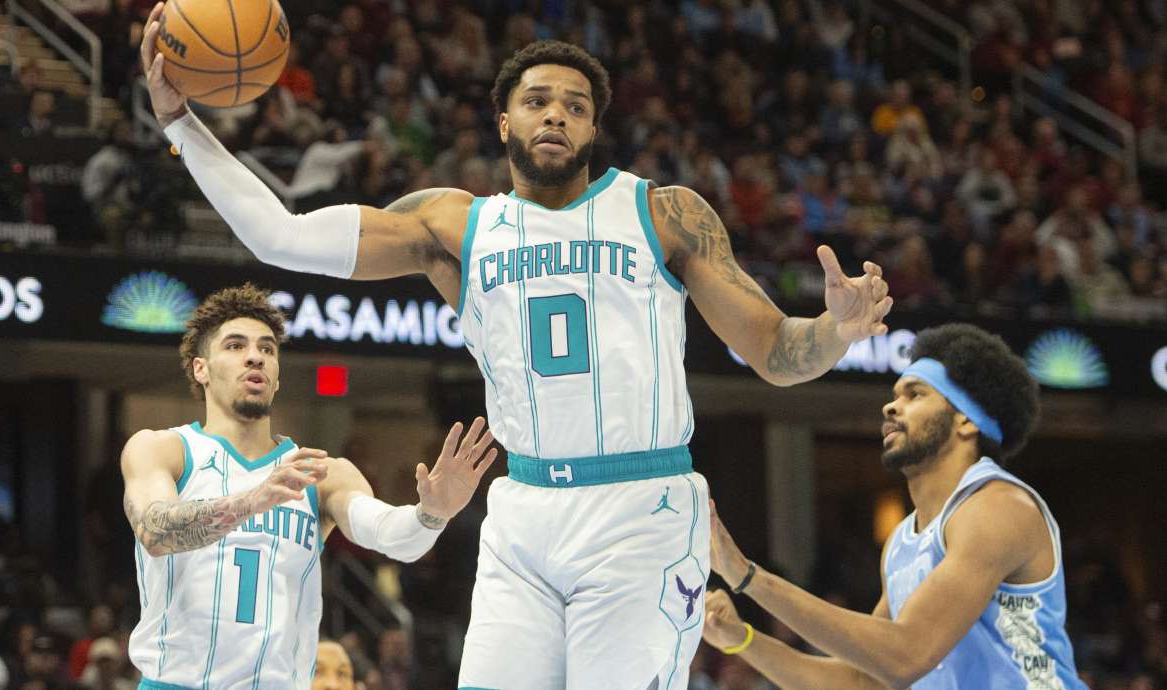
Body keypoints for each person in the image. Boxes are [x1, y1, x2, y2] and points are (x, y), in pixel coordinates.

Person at [139, 17, 893, 686]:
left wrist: (836, 330)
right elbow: (279, 236)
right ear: (503, 121)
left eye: (576, 106)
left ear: (593, 130)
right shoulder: (454, 226)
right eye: (537, 101)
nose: (556, 114)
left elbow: (775, 352)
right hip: (523, 511)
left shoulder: (662, 213)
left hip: (642, 507)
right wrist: (179, 122)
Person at [121, 284, 496, 688]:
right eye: (235, 345)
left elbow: (393, 536)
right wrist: (250, 501)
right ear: (201, 369)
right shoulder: (162, 449)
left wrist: (432, 515)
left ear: (277, 378)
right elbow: (155, 532)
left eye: (267, 349)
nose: (255, 356)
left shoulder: (322, 473)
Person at [703, 323, 1087, 689]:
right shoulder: (902, 540)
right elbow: (865, 682)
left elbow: (905, 656)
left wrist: (748, 577)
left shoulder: (997, 506)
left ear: (966, 421)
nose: (890, 407)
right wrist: (743, 639)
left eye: (915, 394)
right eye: (895, 395)